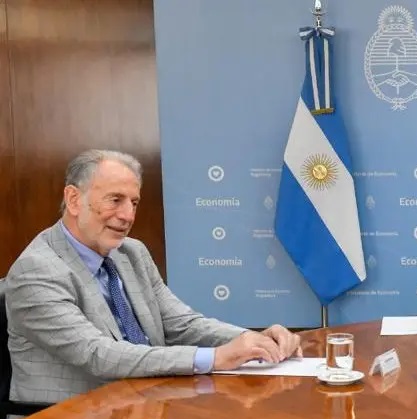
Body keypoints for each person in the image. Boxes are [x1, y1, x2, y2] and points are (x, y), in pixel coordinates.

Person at [5, 149, 301, 405]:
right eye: (115, 200)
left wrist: (253, 341)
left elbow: (181, 324)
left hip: (144, 409)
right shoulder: (37, 270)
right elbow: (98, 354)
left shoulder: (131, 253)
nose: (128, 216)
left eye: (133, 203)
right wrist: (216, 358)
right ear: (73, 199)